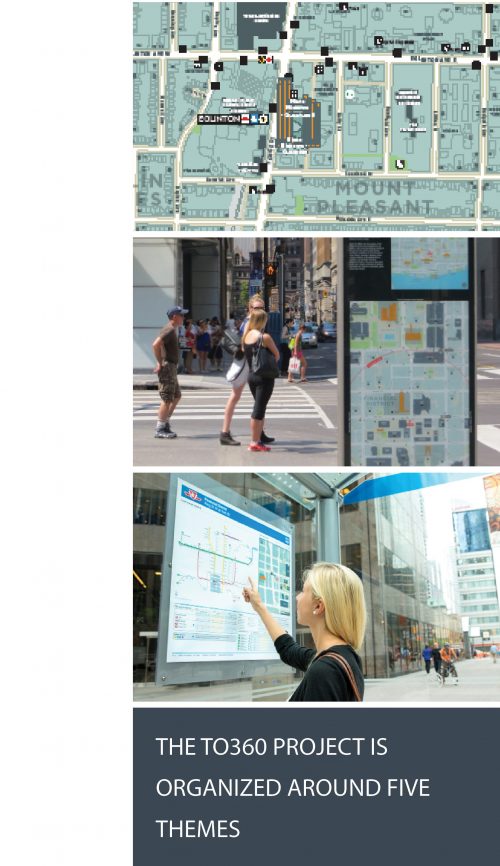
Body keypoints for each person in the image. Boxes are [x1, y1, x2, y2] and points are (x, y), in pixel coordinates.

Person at [242, 562, 366, 701]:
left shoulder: (324, 671)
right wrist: (259, 606)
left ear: (318, 606)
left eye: (303, 591)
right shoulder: (344, 657)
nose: (297, 597)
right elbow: (288, 649)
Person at [219, 294, 274, 447]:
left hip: (249, 364)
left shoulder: (256, 322)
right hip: (245, 364)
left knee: (259, 401)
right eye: (256, 308)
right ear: (250, 308)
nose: (259, 310)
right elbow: (244, 344)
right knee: (235, 397)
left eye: (262, 308)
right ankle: (225, 432)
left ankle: (259, 432)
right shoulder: (249, 321)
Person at [243, 309, 280, 452]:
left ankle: (258, 439)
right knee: (258, 410)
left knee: (259, 408)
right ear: (262, 321)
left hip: (251, 375)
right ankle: (254, 442)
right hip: (264, 377)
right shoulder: (264, 337)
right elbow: (276, 355)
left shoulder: (246, 336)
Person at [152, 305, 188, 439]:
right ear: (174, 317)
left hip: (171, 367)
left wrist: (159, 361)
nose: (183, 317)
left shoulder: (172, 329)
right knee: (167, 398)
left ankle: (165, 422)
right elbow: (156, 344)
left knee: (176, 395)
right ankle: (160, 428)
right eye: (181, 315)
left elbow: (160, 346)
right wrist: (160, 362)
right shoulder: (168, 330)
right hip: (167, 367)